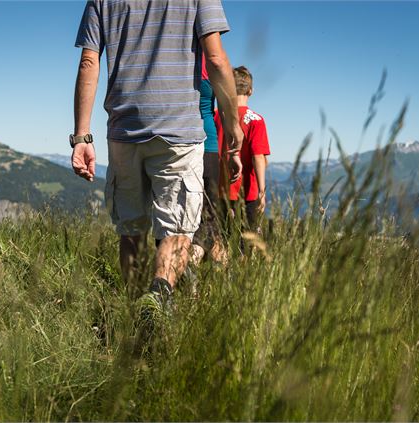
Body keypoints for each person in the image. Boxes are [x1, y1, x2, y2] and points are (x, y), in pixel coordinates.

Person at [71, 0, 244, 309]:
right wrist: (232, 124)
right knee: (176, 231)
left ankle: (134, 313)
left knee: (131, 230)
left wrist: (82, 136)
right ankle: (158, 297)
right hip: (178, 132)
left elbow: (88, 61)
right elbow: (216, 59)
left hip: (124, 131)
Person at [216, 66, 270, 232]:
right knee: (246, 244)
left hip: (218, 190)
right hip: (247, 192)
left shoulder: (216, 115)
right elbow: (258, 157)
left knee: (221, 241)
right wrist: (262, 191)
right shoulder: (255, 120)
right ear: (250, 91)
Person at [191, 54, 225, 265]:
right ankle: (195, 258)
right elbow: (223, 110)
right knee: (208, 214)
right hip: (208, 145)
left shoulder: (175, 58)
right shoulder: (212, 61)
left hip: (177, 142)